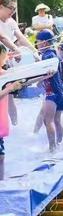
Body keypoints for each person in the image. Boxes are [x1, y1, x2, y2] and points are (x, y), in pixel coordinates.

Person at [35, 30, 63, 152]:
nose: (37, 45)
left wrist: (39, 81)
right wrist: (62, 85)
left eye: (37, 42)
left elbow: (49, 72)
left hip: (52, 91)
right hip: (61, 91)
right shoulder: (56, 54)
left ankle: (52, 148)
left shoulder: (46, 55)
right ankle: (60, 144)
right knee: (57, 120)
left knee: (48, 120)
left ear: (43, 42)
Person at [0, 44, 23, 180]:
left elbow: (25, 81)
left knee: (1, 157)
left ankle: (2, 186)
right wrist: (9, 89)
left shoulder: (4, 74)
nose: (7, 58)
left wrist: (45, 75)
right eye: (4, 55)